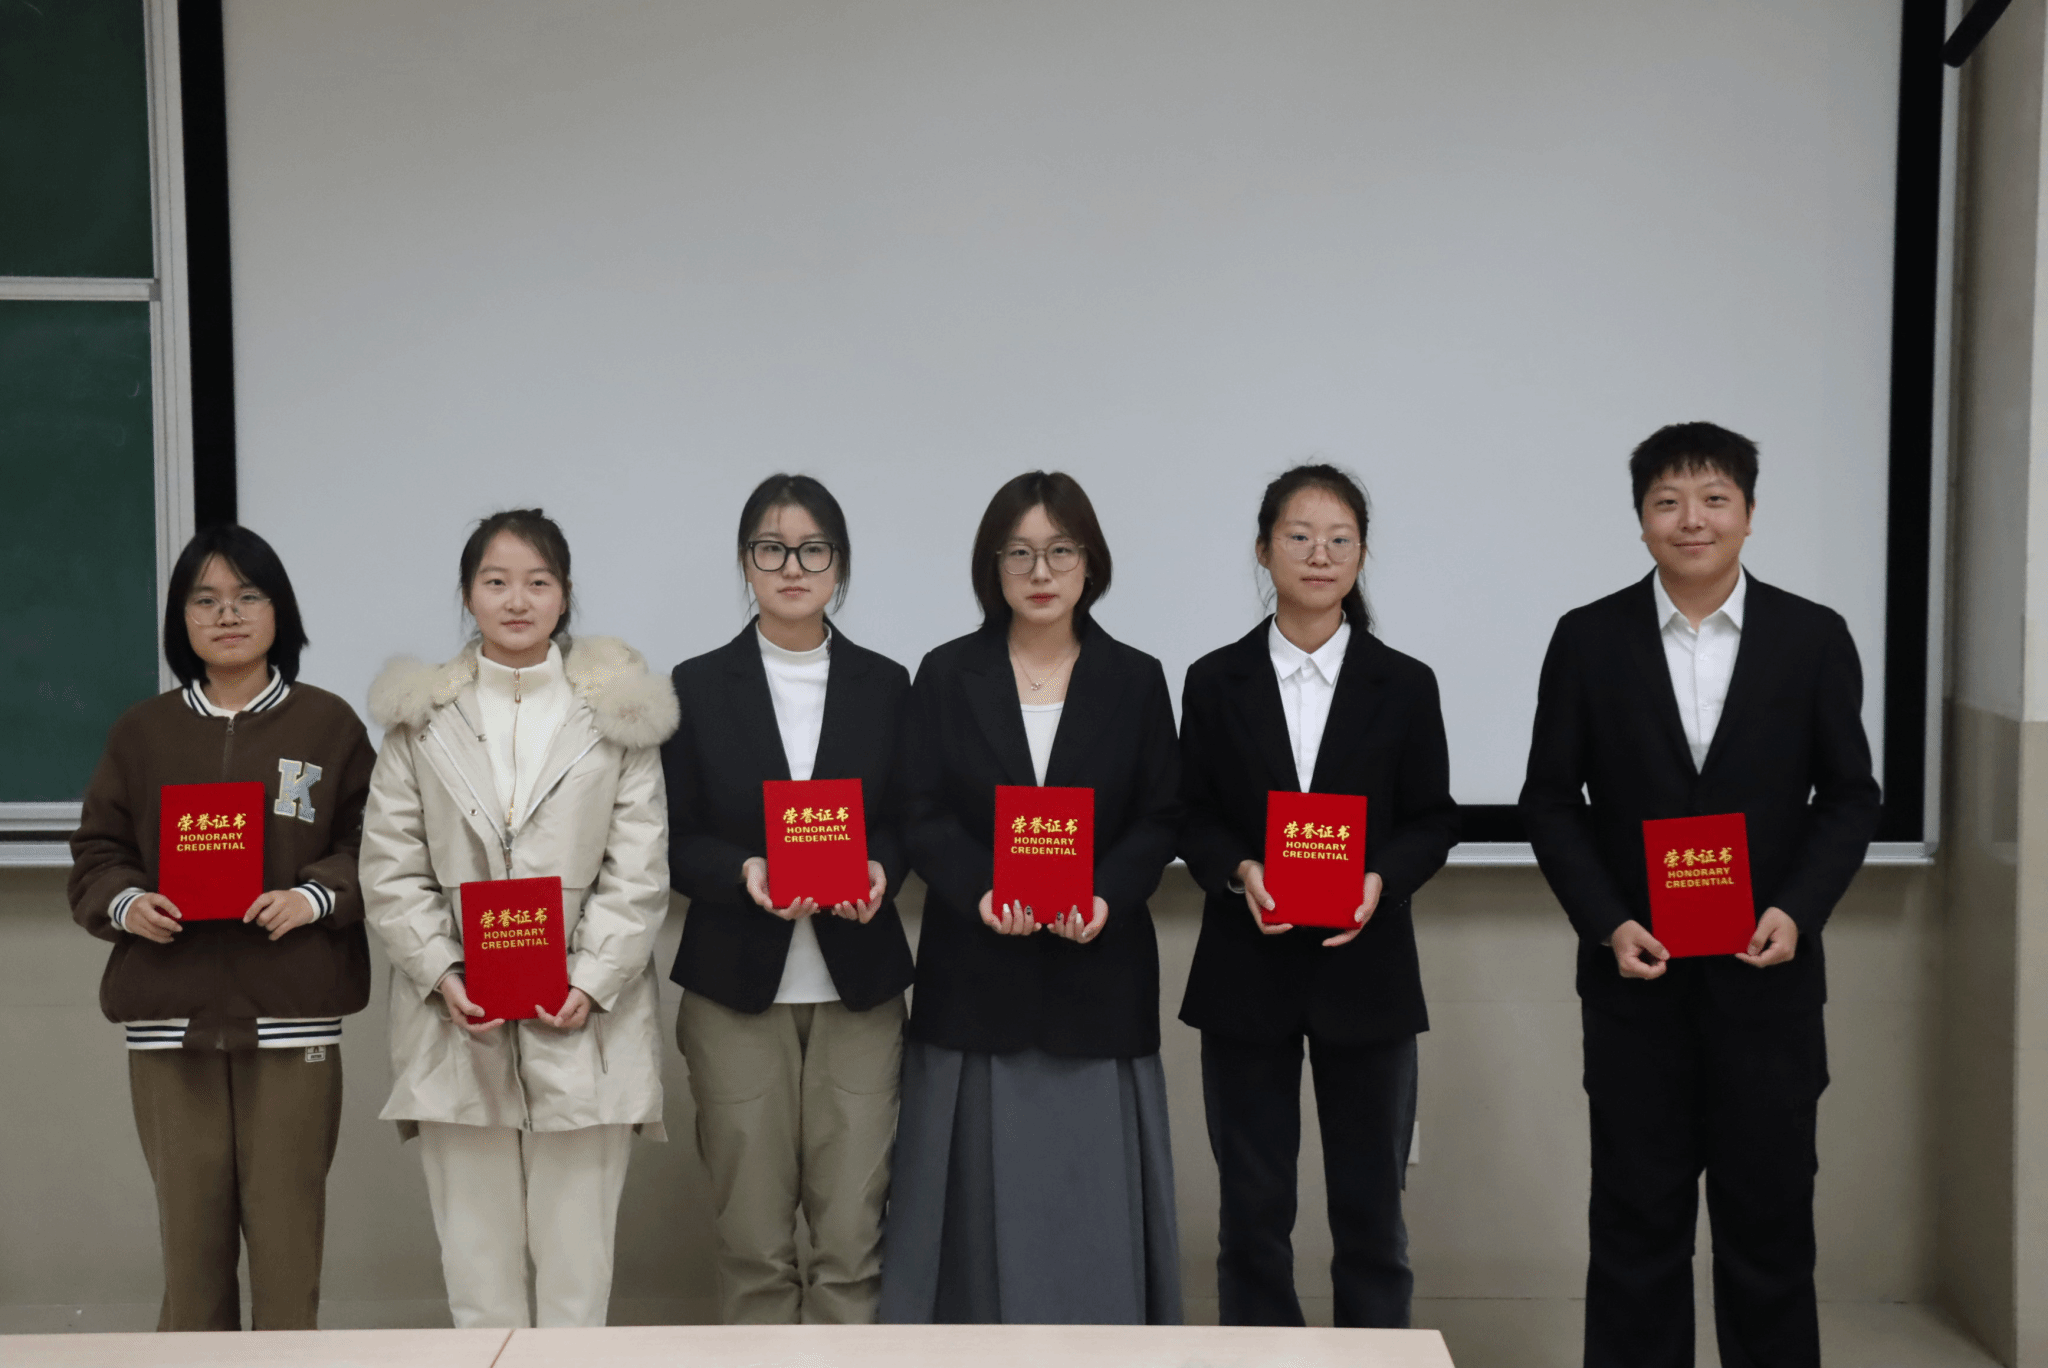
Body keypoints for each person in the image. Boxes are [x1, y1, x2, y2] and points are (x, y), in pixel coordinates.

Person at [1519, 423, 1881, 1368]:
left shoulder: (1812, 636)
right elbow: (1550, 801)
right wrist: (1608, 922)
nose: (1693, 519)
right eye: (1668, 501)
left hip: (1768, 986)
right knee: (1635, 1230)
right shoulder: (1588, 638)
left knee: (1770, 1232)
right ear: (1640, 518)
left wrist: (1797, 908)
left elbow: (1851, 797)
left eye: (1715, 499)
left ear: (1749, 515)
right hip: (1637, 985)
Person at [359, 508, 678, 1329]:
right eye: (495, 581)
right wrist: (443, 974)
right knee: (477, 1280)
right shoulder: (421, 720)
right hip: (456, 1021)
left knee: (577, 1283)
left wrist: (592, 981)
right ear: (468, 594)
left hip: (585, 1020)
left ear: (565, 595)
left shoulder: (618, 716)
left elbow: (639, 869)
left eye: (538, 582)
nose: (516, 600)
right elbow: (390, 868)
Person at [877, 470, 1183, 1325]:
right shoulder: (947, 674)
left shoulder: (1136, 678)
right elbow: (919, 811)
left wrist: (1106, 896)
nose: (1040, 572)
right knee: (970, 1231)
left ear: (1090, 562)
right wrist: (980, 890)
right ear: (993, 567)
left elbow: (1163, 816)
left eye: (1060, 551)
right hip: (978, 977)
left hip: (1098, 978)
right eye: (1018, 553)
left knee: (1088, 1221)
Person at [68, 525, 376, 1331]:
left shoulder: (329, 725)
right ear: (181, 619)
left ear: (280, 612)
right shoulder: (143, 733)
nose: (227, 614)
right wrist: (129, 902)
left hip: (292, 1015)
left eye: (248, 596)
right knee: (190, 1254)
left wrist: (314, 897)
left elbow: (376, 844)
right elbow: (96, 852)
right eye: (204, 600)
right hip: (170, 1022)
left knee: (288, 1251)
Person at [1177, 464, 1458, 1328]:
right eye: (1298, 536)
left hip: (1366, 969)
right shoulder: (1214, 679)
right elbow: (1191, 815)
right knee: (1252, 1216)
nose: (1319, 554)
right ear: (1264, 550)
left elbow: (1432, 819)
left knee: (1372, 1214)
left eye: (1340, 539)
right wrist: (1240, 872)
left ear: (1362, 554)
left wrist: (1381, 880)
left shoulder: (1404, 683)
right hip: (1246, 969)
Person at [662, 474, 914, 1323]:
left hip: (859, 991)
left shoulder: (887, 684)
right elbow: (674, 837)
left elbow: (908, 819)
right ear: (746, 563)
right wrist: (744, 871)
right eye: (772, 549)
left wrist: (880, 868)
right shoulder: (696, 686)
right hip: (735, 991)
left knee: (851, 1241)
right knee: (753, 1244)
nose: (793, 567)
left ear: (839, 564)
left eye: (813, 550)